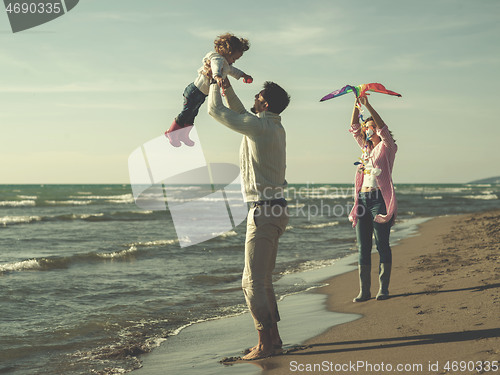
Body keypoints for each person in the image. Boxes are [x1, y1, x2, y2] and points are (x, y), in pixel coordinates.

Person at [207, 78, 290, 360]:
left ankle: (265, 344)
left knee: (251, 282)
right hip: (275, 209)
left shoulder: (259, 127)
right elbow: (243, 113)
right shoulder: (272, 127)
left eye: (257, 95)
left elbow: (216, 111)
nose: (253, 98)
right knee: (263, 280)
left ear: (264, 103)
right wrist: (226, 84)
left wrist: (212, 85)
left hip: (264, 210)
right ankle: (274, 339)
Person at [348, 96, 397, 302]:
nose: (367, 129)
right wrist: (356, 105)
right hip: (362, 200)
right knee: (363, 246)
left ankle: (383, 288)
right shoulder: (365, 149)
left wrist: (368, 106)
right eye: (367, 126)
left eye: (371, 127)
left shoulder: (388, 148)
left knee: (382, 244)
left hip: (379, 200)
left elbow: (384, 129)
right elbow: (353, 127)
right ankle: (364, 290)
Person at [165, 33, 252, 147]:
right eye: (234, 58)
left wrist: (243, 75)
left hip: (201, 94)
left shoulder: (226, 63)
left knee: (192, 114)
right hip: (194, 91)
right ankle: (171, 132)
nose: (234, 61)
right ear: (227, 51)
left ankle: (183, 135)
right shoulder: (217, 58)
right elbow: (215, 67)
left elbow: (233, 70)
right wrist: (217, 76)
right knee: (186, 112)